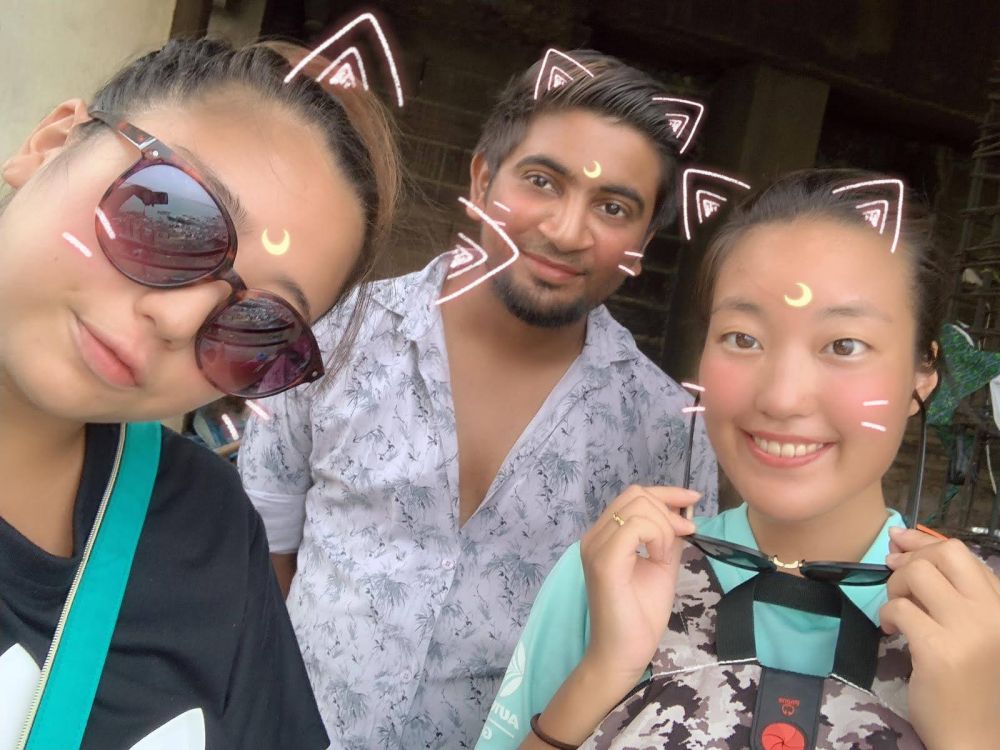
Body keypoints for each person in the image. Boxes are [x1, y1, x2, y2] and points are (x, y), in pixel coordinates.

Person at [238, 49, 719, 749]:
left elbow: (666, 656)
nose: (565, 231)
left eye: (613, 207)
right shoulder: (334, 339)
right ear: (482, 178)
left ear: (642, 243)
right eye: (541, 181)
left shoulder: (668, 433)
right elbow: (261, 552)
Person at [481, 169, 1000, 749]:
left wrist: (975, 734)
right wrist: (602, 673)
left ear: (923, 374)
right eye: (743, 338)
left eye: (844, 345)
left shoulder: (985, 617)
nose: (781, 398)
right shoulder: (614, 572)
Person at [0, 35, 402, 749]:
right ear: (52, 141)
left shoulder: (208, 533)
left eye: (258, 325)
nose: (181, 319)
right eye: (169, 217)